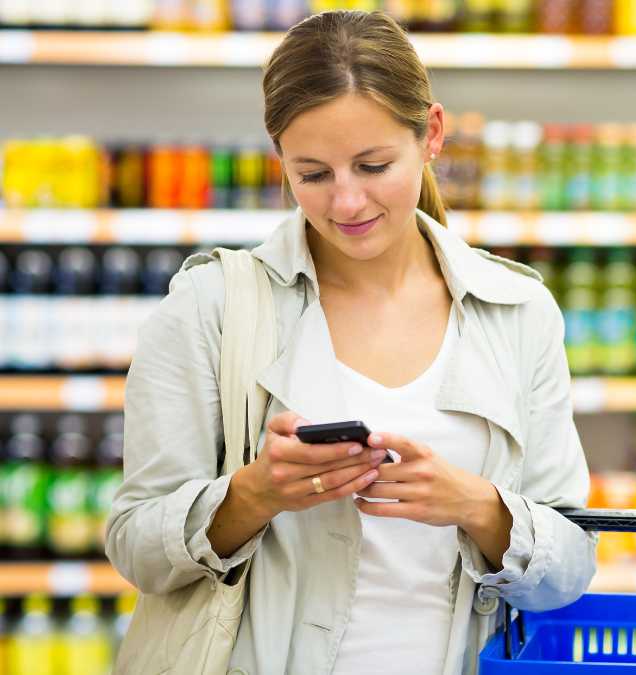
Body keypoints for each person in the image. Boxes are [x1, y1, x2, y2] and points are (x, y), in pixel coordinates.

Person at [105, 10, 596, 674]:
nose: (347, 202)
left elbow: (571, 562)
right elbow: (135, 544)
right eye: (313, 173)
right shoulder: (209, 307)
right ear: (280, 157)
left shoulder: (518, 311)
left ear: (432, 136)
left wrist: (478, 506)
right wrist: (254, 492)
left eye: (372, 165)